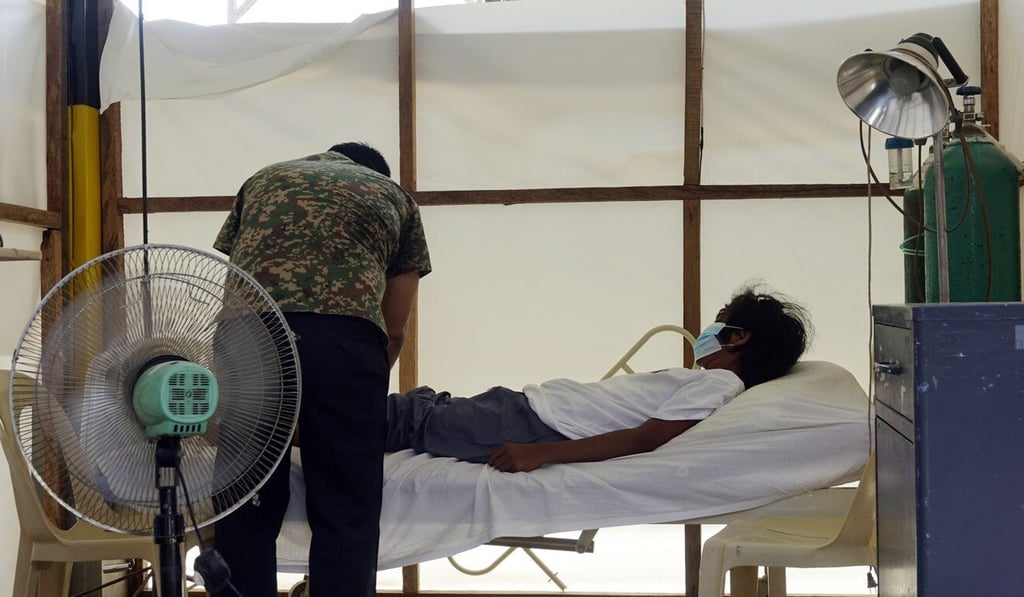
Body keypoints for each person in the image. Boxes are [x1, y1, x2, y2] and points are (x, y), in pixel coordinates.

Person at [212, 142, 431, 597]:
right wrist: (353, 393)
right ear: (378, 174)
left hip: (247, 337)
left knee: (245, 498)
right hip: (344, 340)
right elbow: (394, 329)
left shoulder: (263, 179)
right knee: (346, 505)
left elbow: (236, 276)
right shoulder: (394, 198)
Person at [385, 285, 809, 473]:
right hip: (528, 408)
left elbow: (645, 439)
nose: (706, 332)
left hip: (535, 425)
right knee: (425, 409)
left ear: (737, 338)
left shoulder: (720, 385)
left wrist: (543, 454)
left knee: (409, 420)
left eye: (719, 324)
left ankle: (321, 417)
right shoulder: (710, 382)